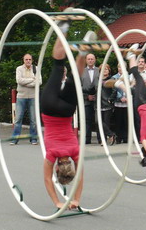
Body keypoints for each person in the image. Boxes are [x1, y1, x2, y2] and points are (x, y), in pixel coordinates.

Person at [40, 22, 93, 209]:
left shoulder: (74, 152)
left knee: (73, 79)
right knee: (57, 67)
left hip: (66, 111)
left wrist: (76, 199)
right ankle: (61, 30)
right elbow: (47, 179)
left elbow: (80, 178)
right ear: (57, 169)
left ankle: (83, 52)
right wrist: (57, 202)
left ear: (70, 165)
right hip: (48, 108)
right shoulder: (51, 155)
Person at [105, 44, 146, 175]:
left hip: (140, 106)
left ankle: (130, 58)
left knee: (138, 78)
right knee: (137, 85)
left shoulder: (144, 139)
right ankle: (120, 84)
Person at [10, 54, 41, 145]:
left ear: (32, 60)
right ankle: (15, 139)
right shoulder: (19, 69)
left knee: (33, 119)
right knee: (18, 119)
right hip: (21, 97)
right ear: (23, 60)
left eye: (29, 59)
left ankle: (33, 139)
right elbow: (19, 81)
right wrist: (32, 80)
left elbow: (39, 82)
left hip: (33, 96)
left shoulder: (36, 69)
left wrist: (27, 82)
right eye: (26, 59)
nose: (28, 61)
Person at [81, 53, 99, 144]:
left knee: (98, 120)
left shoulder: (99, 70)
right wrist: (86, 96)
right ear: (86, 60)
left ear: (95, 60)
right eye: (89, 59)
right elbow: (79, 86)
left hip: (98, 99)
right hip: (86, 99)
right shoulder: (82, 71)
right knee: (87, 120)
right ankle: (87, 139)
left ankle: (100, 139)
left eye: (92, 59)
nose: (90, 60)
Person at [98, 63, 116, 145]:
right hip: (98, 104)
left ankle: (104, 140)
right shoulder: (97, 79)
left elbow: (114, 90)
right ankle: (111, 135)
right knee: (98, 121)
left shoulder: (111, 79)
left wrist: (110, 99)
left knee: (106, 122)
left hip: (107, 103)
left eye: (106, 69)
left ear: (109, 70)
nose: (104, 70)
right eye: (102, 69)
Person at [111, 64, 128, 144]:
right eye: (119, 67)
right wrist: (120, 97)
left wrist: (128, 97)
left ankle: (126, 137)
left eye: (122, 67)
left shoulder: (129, 76)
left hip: (127, 102)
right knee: (118, 121)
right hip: (118, 102)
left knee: (126, 121)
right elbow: (114, 89)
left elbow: (131, 87)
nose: (121, 68)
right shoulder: (114, 77)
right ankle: (118, 137)